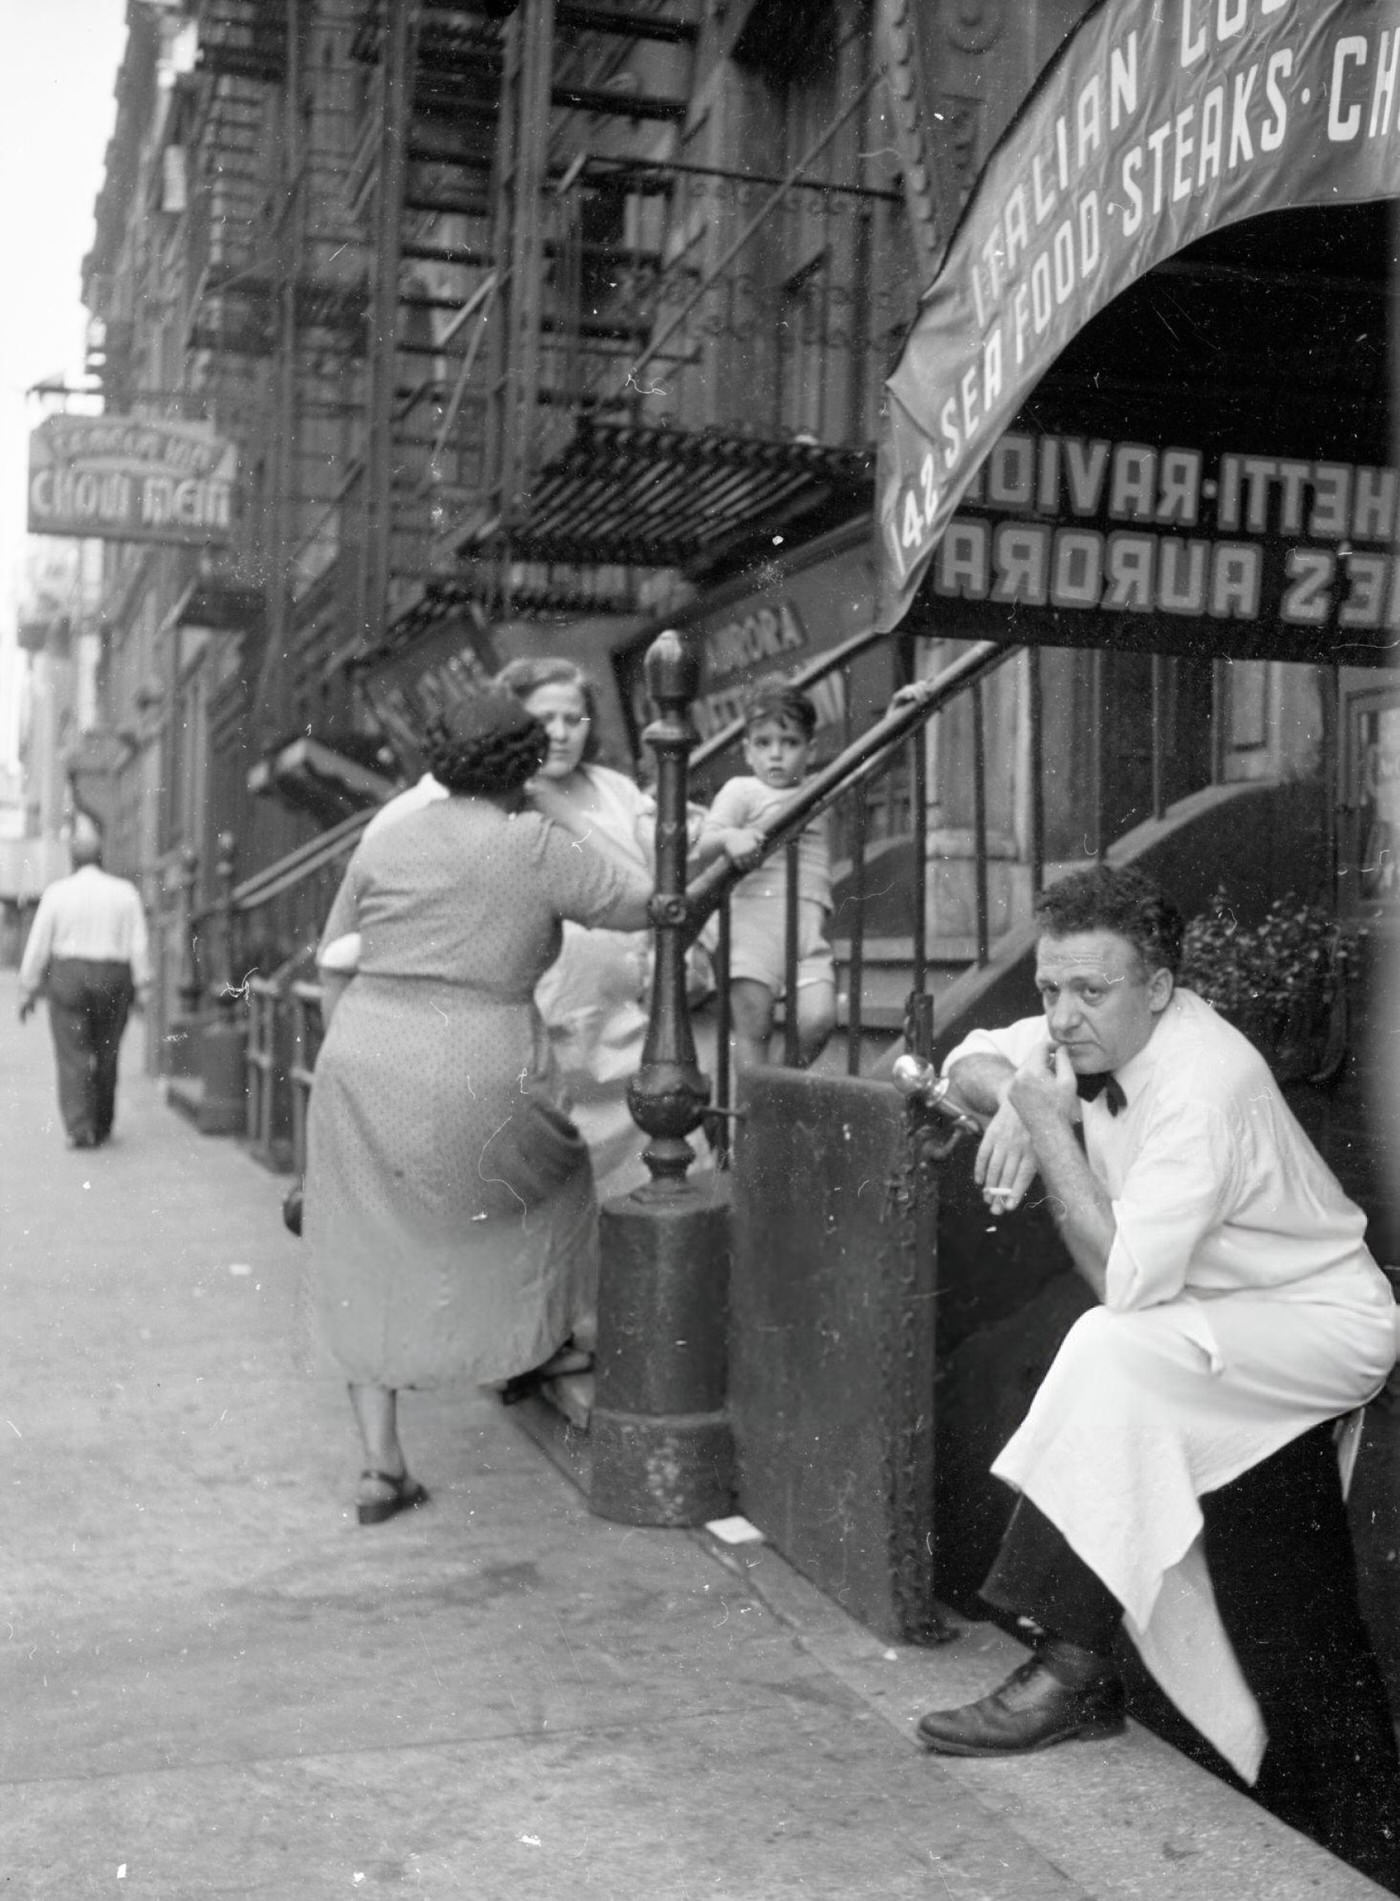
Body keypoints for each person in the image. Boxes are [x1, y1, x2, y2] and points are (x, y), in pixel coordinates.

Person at [913, 864, 1400, 1886]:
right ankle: (1078, 1660)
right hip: (1208, 1314)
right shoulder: (1078, 1033)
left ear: (1161, 987)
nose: (1060, 1012)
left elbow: (1120, 1284)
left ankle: (1069, 1662)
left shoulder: (1203, 1082)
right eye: (1048, 989)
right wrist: (1013, 1094)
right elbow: (961, 1056)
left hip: (1312, 1322)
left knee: (1104, 1343)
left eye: (1088, 991)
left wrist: (1043, 1126)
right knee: (1125, 1375)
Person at [300, 691, 652, 1526]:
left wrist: (347, 1054)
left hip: (362, 1051)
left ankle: (381, 1469)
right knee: (562, 1180)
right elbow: (644, 902)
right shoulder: (533, 842)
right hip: (482, 1055)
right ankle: (540, 1343)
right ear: (527, 763)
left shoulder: (388, 838)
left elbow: (332, 956)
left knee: (363, 1251)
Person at [495, 657, 665, 1204]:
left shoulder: (615, 789)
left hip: (622, 1021)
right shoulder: (500, 796)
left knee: (632, 1180)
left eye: (575, 718)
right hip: (542, 1015)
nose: (562, 733)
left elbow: (653, 872)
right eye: (547, 718)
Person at [701, 678, 835, 1071]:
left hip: (807, 930)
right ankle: (755, 1114)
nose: (776, 755)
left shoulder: (819, 788)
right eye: (763, 743)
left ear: (810, 750)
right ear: (747, 750)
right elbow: (702, 844)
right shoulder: (742, 790)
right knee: (753, 1027)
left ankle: (775, 1090)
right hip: (751, 926)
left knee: (818, 1018)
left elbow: (875, 759)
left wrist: (900, 708)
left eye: (790, 742)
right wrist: (730, 836)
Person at [17, 825, 150, 1149]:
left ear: (72, 861)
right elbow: (139, 943)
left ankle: (79, 1128)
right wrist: (143, 984)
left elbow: (39, 944)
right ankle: (102, 1124)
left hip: (69, 976)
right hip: (113, 977)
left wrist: (28, 987)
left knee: (72, 1054)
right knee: (107, 1053)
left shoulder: (57, 893)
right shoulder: (125, 892)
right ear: (101, 858)